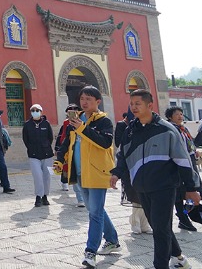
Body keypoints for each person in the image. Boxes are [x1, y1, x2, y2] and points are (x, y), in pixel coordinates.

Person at [111, 89, 201, 269]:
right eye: (131, 104)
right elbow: (123, 154)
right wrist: (117, 173)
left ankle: (160, 265)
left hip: (164, 187)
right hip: (142, 187)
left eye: (138, 104)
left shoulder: (167, 130)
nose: (134, 107)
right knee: (158, 225)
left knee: (159, 230)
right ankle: (179, 258)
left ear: (150, 105)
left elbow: (183, 160)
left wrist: (191, 188)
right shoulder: (131, 131)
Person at [55, 86, 119, 268]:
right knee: (94, 209)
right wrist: (60, 160)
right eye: (82, 98)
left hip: (98, 173)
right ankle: (112, 239)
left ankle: (90, 251)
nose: (84, 102)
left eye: (89, 99)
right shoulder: (76, 120)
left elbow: (105, 142)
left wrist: (83, 128)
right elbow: (67, 142)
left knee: (95, 213)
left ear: (98, 101)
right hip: (80, 171)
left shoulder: (104, 121)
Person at [165, 106, 202, 232]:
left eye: (181, 114)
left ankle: (185, 213)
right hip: (178, 164)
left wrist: (195, 151)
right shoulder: (169, 129)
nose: (180, 116)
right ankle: (183, 218)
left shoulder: (183, 128)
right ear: (170, 116)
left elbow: (190, 143)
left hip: (189, 162)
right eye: (177, 114)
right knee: (179, 193)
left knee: (191, 190)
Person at [22, 104, 54, 207]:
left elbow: (50, 138)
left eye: (37, 110)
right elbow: (25, 139)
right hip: (33, 155)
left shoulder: (46, 123)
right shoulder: (27, 125)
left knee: (47, 176)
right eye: (33, 110)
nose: (35, 112)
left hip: (47, 154)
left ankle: (45, 196)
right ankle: (38, 196)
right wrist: (31, 148)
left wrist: (46, 146)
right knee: (37, 176)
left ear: (41, 112)